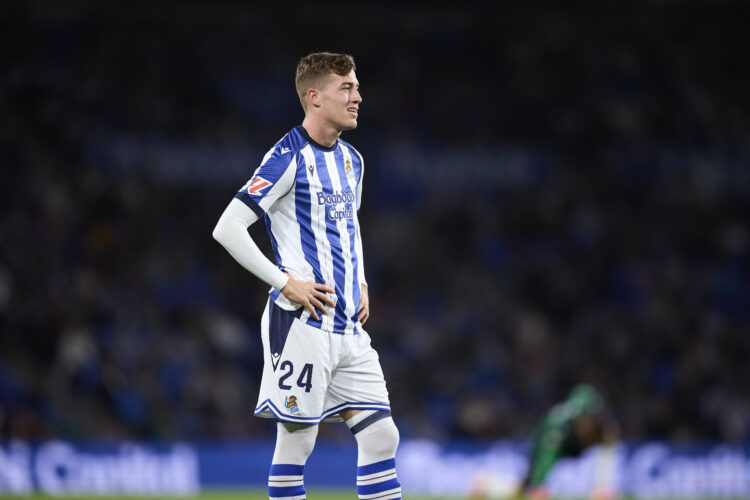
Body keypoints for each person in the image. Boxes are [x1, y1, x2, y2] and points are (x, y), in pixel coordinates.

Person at [212, 52, 401, 500]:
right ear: (314, 97)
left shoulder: (352, 160)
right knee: (297, 441)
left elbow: (350, 227)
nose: (358, 97)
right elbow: (227, 227)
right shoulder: (287, 157)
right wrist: (284, 282)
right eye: (346, 88)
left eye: (356, 87)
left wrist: (361, 280)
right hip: (303, 322)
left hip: (347, 324)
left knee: (382, 436)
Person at [471, 384, 619, 500]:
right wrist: (540, 484)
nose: (582, 422)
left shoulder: (603, 427)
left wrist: (602, 485)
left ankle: (488, 485)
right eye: (579, 417)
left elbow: (608, 447)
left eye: (586, 417)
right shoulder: (557, 425)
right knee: (524, 489)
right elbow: (547, 455)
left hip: (572, 447)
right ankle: (488, 485)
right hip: (543, 445)